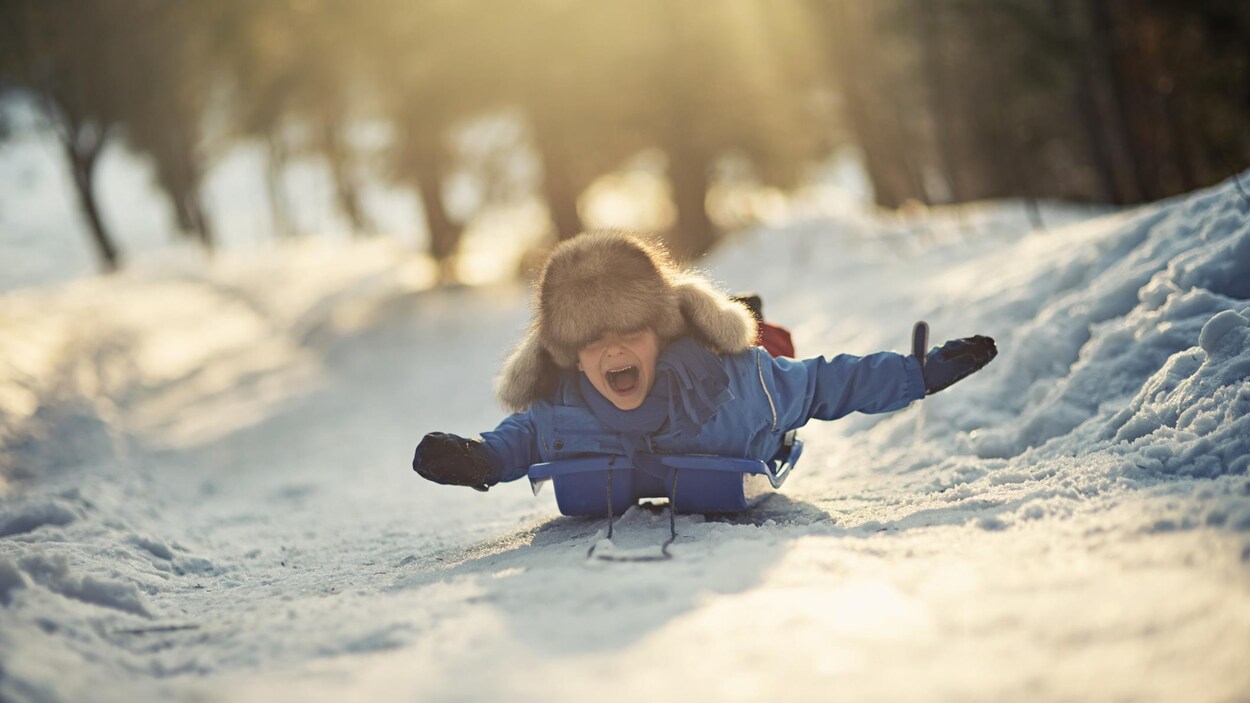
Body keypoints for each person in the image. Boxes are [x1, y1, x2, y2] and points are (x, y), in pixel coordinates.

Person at [412, 231, 996, 492]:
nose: (613, 351)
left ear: (661, 333)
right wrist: (481, 458)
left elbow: (824, 383)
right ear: (569, 356)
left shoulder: (738, 387)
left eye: (629, 331)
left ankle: (752, 319)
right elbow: (523, 437)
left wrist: (917, 373)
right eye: (593, 342)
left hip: (746, 412)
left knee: (770, 353)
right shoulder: (562, 405)